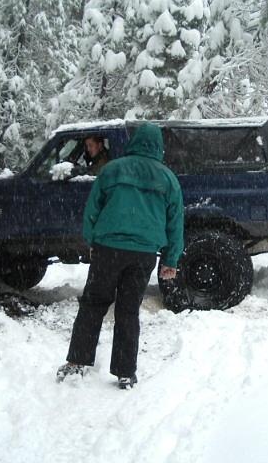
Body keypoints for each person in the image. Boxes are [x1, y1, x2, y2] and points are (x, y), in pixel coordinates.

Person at [56, 123, 184, 389]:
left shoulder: (112, 169)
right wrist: (170, 259)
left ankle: (77, 362)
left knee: (93, 304)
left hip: (108, 249)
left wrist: (92, 240)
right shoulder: (168, 179)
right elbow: (175, 223)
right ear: (158, 146)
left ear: (134, 142)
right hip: (143, 254)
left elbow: (92, 209)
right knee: (128, 311)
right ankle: (125, 373)